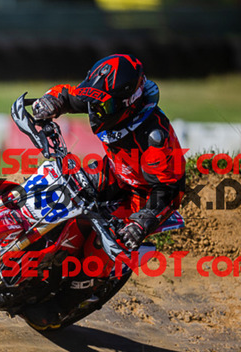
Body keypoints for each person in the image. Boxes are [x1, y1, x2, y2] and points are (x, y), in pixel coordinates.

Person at [23, 53, 186, 329]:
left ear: (129, 103)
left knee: (103, 244)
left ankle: (66, 303)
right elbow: (68, 94)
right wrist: (51, 101)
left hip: (144, 197)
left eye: (103, 105)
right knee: (62, 186)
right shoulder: (103, 97)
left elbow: (169, 190)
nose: (95, 110)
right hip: (114, 172)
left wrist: (142, 222)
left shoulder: (154, 137)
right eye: (94, 102)